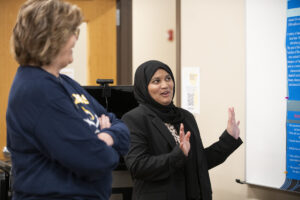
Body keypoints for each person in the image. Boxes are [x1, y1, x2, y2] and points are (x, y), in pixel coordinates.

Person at [6, 0, 130, 199]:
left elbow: (121, 126)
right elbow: (96, 159)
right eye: (71, 32)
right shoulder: (37, 89)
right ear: (49, 38)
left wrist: (106, 136)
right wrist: (104, 137)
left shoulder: (64, 83)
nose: (75, 38)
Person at [121, 60, 243, 200]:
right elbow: (138, 166)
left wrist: (229, 139)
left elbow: (200, 163)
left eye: (168, 78)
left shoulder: (185, 117)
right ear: (144, 87)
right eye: (156, 81)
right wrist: (178, 155)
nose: (165, 85)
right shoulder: (134, 119)